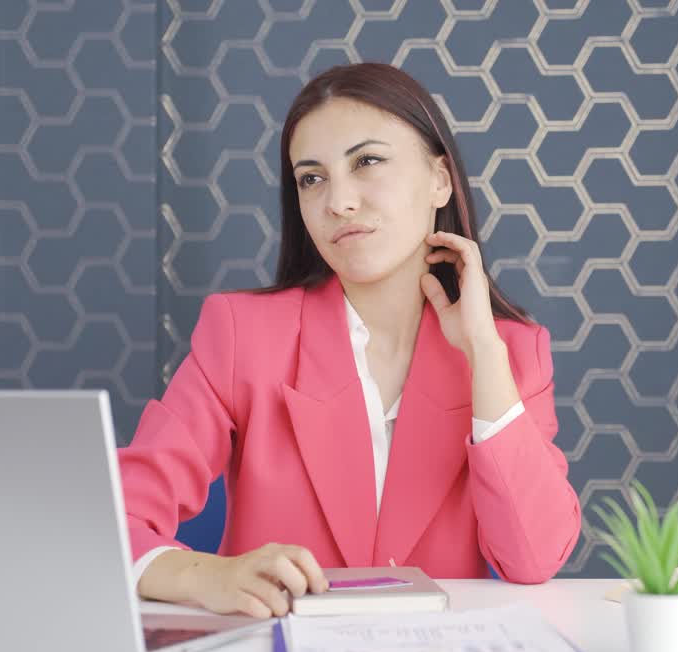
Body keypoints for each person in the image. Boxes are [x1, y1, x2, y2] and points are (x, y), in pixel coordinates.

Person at [119, 63, 580, 619]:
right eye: (312, 178)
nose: (338, 202)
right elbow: (117, 518)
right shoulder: (242, 334)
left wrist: (483, 350)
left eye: (367, 162)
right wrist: (205, 574)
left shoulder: (513, 353)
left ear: (439, 179)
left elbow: (533, 559)